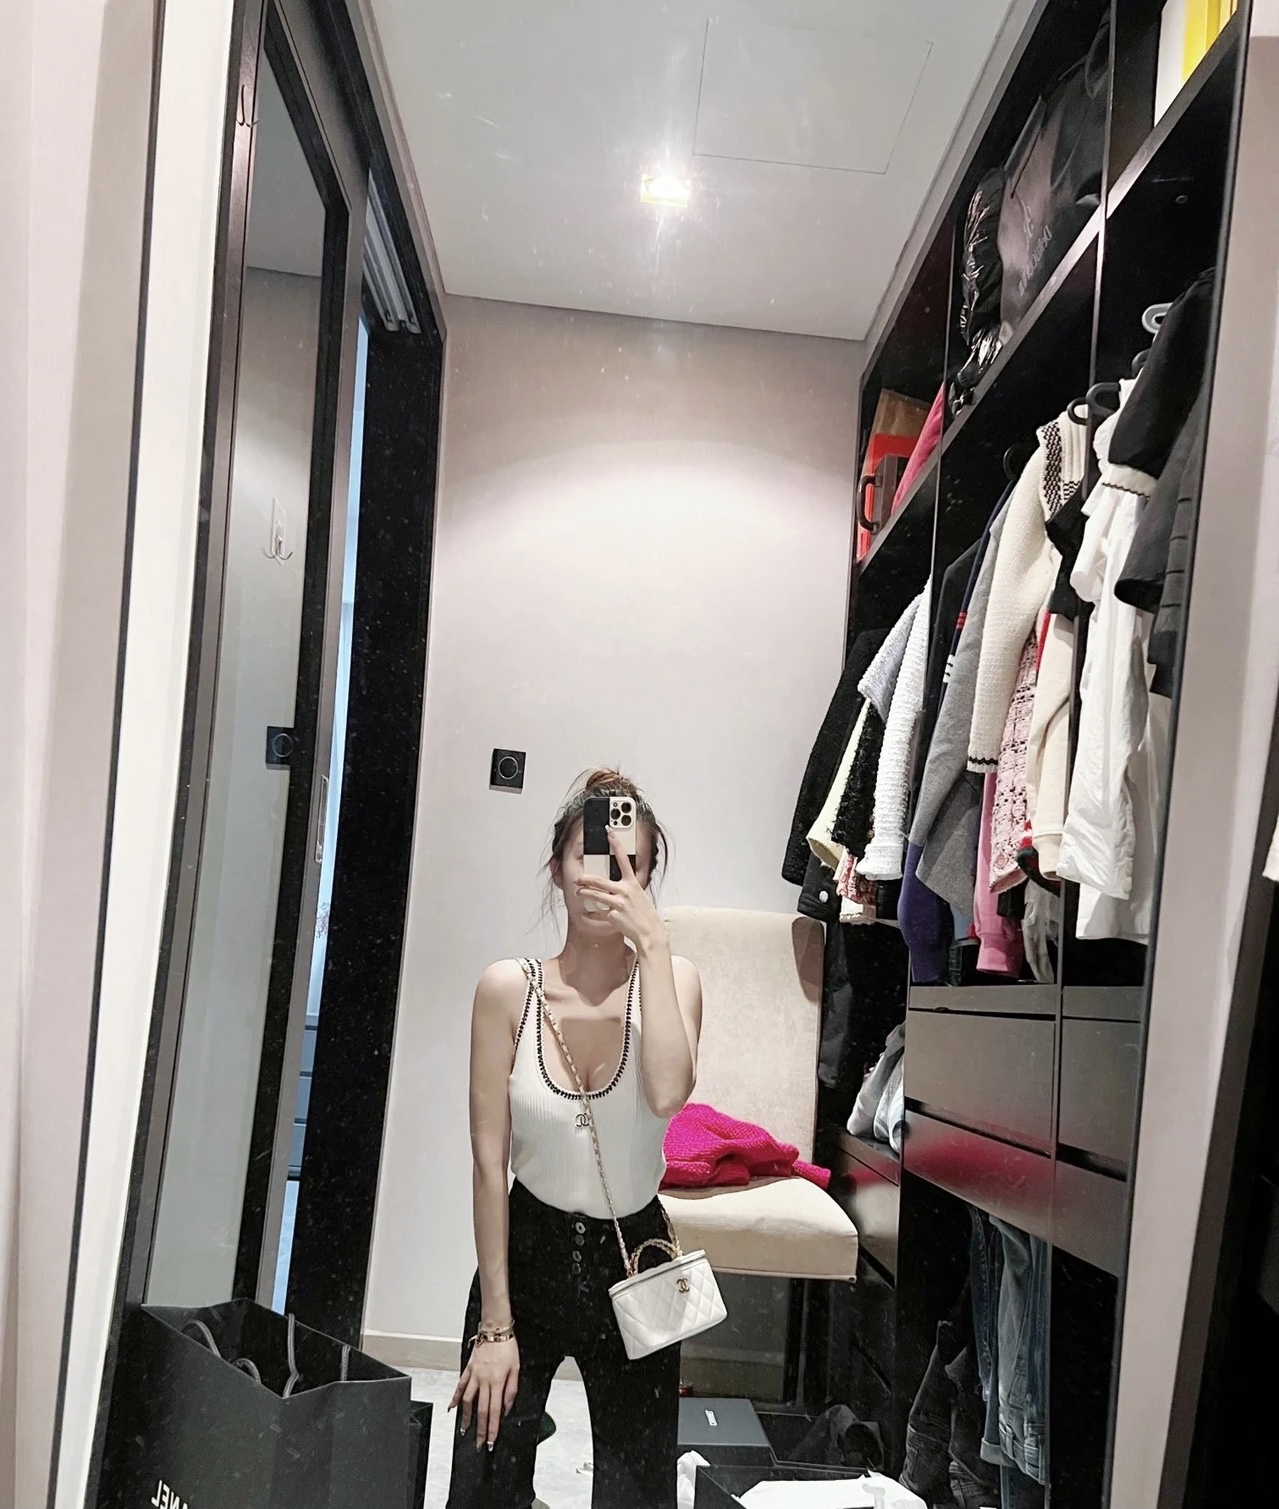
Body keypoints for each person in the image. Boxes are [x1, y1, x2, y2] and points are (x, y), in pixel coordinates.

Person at [447, 769, 703, 1509]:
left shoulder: (675, 980)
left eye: (629, 863)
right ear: (556, 867)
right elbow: (488, 1166)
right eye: (588, 855)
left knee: (637, 1495)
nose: (604, 879)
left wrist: (653, 946)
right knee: (484, 1485)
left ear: (648, 878)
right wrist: (496, 1326)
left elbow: (667, 1093)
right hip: (525, 1254)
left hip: (638, 1254)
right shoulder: (507, 989)